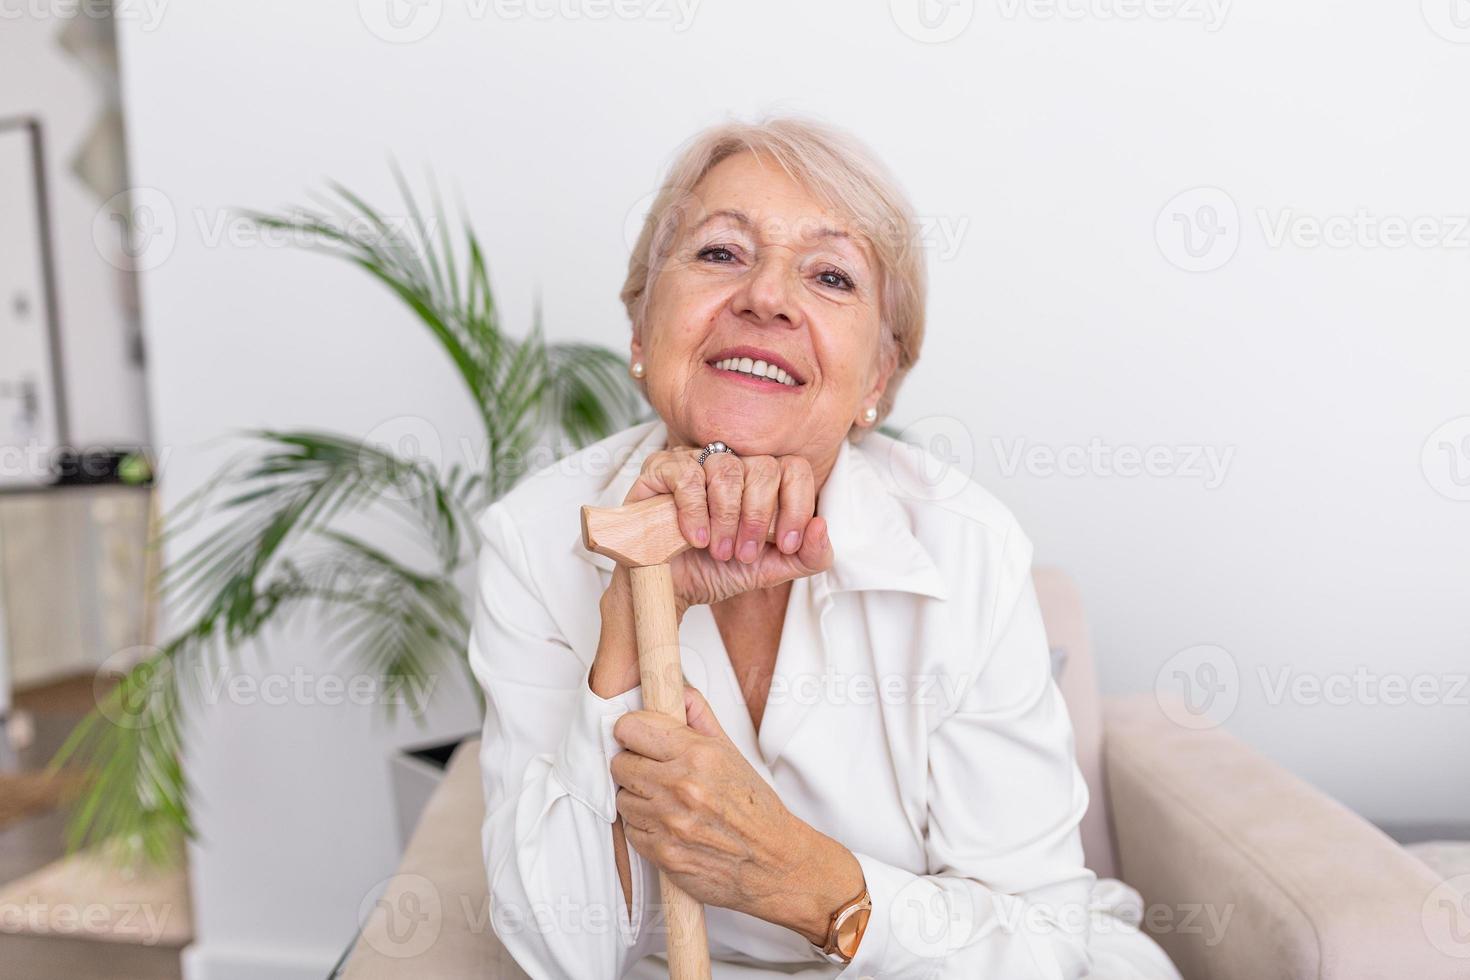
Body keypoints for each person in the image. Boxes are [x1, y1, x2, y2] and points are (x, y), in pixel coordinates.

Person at [468, 116, 1181, 979]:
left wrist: (802, 879)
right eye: (721, 253)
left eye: (830, 274)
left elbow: (1039, 944)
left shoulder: (966, 545)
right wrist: (625, 622)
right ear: (640, 328)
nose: (766, 297)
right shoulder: (532, 538)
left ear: (877, 378)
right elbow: (559, 951)